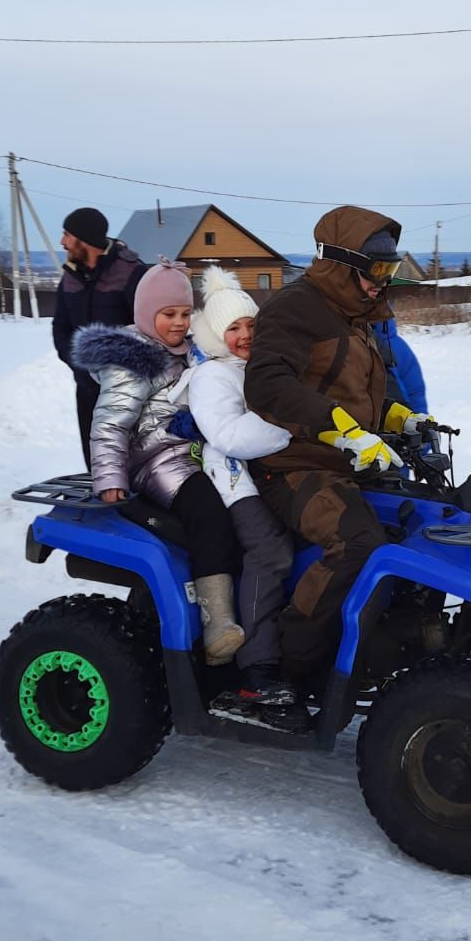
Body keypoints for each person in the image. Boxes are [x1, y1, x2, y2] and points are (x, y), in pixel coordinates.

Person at [244, 206, 431, 687]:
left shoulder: (356, 315)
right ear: (342, 264)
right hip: (292, 466)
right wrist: (340, 428)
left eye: (390, 270)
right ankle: (292, 671)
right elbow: (266, 386)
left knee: (420, 527)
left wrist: (401, 417)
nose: (382, 282)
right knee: (357, 545)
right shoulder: (294, 308)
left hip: (344, 463)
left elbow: (367, 389)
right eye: (376, 270)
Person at [71, 259, 243, 666]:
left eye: (186, 314)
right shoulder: (134, 361)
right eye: (168, 315)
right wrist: (110, 478)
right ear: (146, 315)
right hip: (158, 462)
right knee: (208, 512)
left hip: (199, 452)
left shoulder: (192, 351)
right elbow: (111, 424)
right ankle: (218, 622)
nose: (179, 323)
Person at [187, 266, 308, 729]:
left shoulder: (259, 367)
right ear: (216, 335)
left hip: (274, 472)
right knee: (270, 551)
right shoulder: (212, 377)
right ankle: (255, 668)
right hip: (235, 480)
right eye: (232, 329)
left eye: (250, 325)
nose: (244, 335)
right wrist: (292, 428)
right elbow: (229, 434)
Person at [52, 206, 147, 469]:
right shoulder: (70, 278)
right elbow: (60, 328)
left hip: (128, 393)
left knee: (133, 464)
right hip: (87, 390)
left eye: (67, 235)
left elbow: (147, 329)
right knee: (97, 464)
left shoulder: (131, 273)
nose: (62, 242)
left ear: (85, 239)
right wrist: (77, 360)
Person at [372, 315, 428, 411]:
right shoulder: (352, 344)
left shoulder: (398, 346)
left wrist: (420, 420)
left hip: (401, 416)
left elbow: (415, 392)